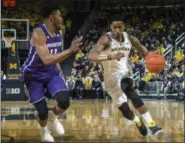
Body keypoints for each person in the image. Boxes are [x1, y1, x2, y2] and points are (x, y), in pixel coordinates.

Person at [88, 15, 163, 136]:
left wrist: (152, 56)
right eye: (114, 27)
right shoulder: (105, 39)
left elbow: (143, 52)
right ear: (110, 27)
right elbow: (91, 56)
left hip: (124, 72)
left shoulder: (130, 38)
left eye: (120, 27)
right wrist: (110, 56)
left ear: (123, 26)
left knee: (128, 88)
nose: (117, 30)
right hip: (110, 79)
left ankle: (151, 124)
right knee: (125, 111)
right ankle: (137, 120)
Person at [21, 6, 82, 142]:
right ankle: (44, 131)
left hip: (51, 73)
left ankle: (53, 117)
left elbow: (55, 56)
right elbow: (47, 60)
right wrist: (71, 50)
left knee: (64, 101)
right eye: (59, 16)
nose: (62, 19)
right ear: (51, 17)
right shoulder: (39, 33)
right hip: (33, 75)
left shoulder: (59, 33)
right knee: (42, 112)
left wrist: (60, 72)